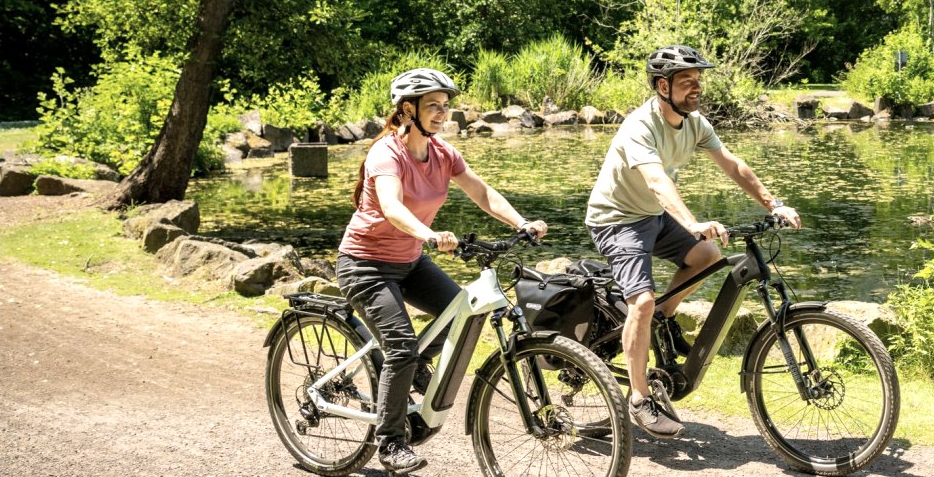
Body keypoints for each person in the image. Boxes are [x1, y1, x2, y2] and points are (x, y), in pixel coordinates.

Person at [335, 67, 548, 475]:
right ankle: (391, 442)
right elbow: (393, 207)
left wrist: (520, 223)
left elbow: (481, 192)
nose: (442, 113)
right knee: (400, 345)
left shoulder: (444, 153)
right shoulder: (386, 153)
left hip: (410, 260)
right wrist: (429, 234)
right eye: (433, 106)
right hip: (365, 264)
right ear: (407, 110)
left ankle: (411, 369)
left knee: (461, 314)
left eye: (445, 106)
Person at [585, 45, 802, 439]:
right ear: (662, 86)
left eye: (698, 81)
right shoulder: (640, 126)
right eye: (687, 82)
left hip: (652, 215)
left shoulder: (695, 123)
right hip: (617, 220)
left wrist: (775, 204)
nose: (696, 88)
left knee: (707, 255)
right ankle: (639, 400)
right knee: (642, 301)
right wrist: (691, 221)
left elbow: (733, 164)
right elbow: (656, 180)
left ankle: (663, 320)